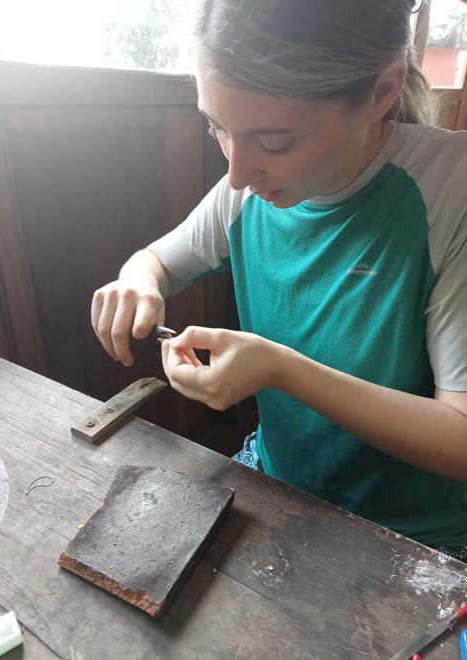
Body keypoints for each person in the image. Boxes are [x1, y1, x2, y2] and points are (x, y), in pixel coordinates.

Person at [91, 0, 467, 560]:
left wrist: (281, 370)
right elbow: (158, 261)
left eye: (277, 142)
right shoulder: (245, 192)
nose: (238, 173)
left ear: (380, 91)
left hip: (422, 538)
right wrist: (137, 282)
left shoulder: (449, 190)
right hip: (275, 483)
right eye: (217, 128)